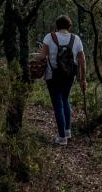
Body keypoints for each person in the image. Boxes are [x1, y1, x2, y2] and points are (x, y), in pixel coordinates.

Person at [38, 15, 87, 146]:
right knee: (65, 100)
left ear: (57, 26)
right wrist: (83, 79)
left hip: (52, 76)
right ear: (69, 26)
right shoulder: (76, 39)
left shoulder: (49, 37)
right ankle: (67, 131)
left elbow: (42, 57)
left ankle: (61, 137)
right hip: (69, 76)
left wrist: (40, 56)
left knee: (58, 104)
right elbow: (82, 60)